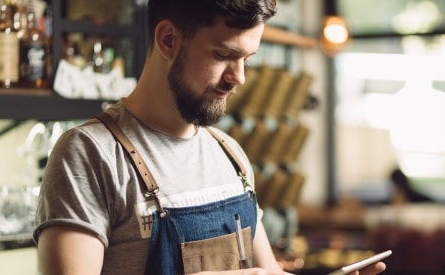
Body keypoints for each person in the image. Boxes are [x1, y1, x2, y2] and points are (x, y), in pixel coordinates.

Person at [33, 1, 387, 274]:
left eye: (247, 58)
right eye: (224, 55)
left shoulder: (229, 153)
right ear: (168, 40)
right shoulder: (90, 154)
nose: (240, 77)